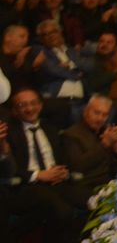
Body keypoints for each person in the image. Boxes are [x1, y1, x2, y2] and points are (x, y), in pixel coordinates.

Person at [3, 88, 91, 243]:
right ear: (15, 111)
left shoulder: (50, 128)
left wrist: (65, 172)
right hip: (27, 186)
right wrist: (38, 175)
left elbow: (63, 159)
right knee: (63, 211)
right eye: (23, 105)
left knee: (91, 201)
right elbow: (10, 170)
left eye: (33, 103)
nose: (29, 108)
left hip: (56, 182)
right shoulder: (9, 134)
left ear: (40, 105)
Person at [59, 94, 117, 189]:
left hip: (113, 183)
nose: (100, 119)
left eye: (104, 115)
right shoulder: (71, 135)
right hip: (88, 186)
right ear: (85, 111)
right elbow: (77, 167)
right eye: (96, 113)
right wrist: (104, 144)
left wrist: (116, 149)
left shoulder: (109, 132)